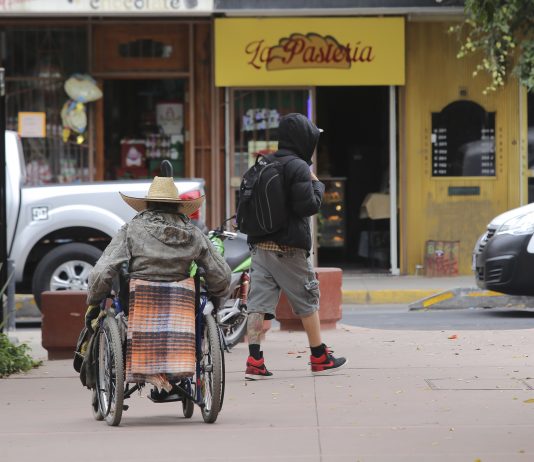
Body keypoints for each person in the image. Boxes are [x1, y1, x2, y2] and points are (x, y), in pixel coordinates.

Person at [84, 165, 231, 396]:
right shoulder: (194, 234)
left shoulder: (132, 230)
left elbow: (103, 272)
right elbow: (221, 276)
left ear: (148, 205)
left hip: (138, 307)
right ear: (178, 207)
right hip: (182, 309)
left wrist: (94, 298)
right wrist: (216, 291)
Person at [244, 113, 347, 380]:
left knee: (258, 304)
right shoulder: (298, 167)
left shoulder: (265, 162)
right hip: (289, 248)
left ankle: (255, 360)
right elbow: (309, 205)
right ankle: (319, 356)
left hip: (260, 247)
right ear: (303, 139)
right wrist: (317, 183)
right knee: (307, 300)